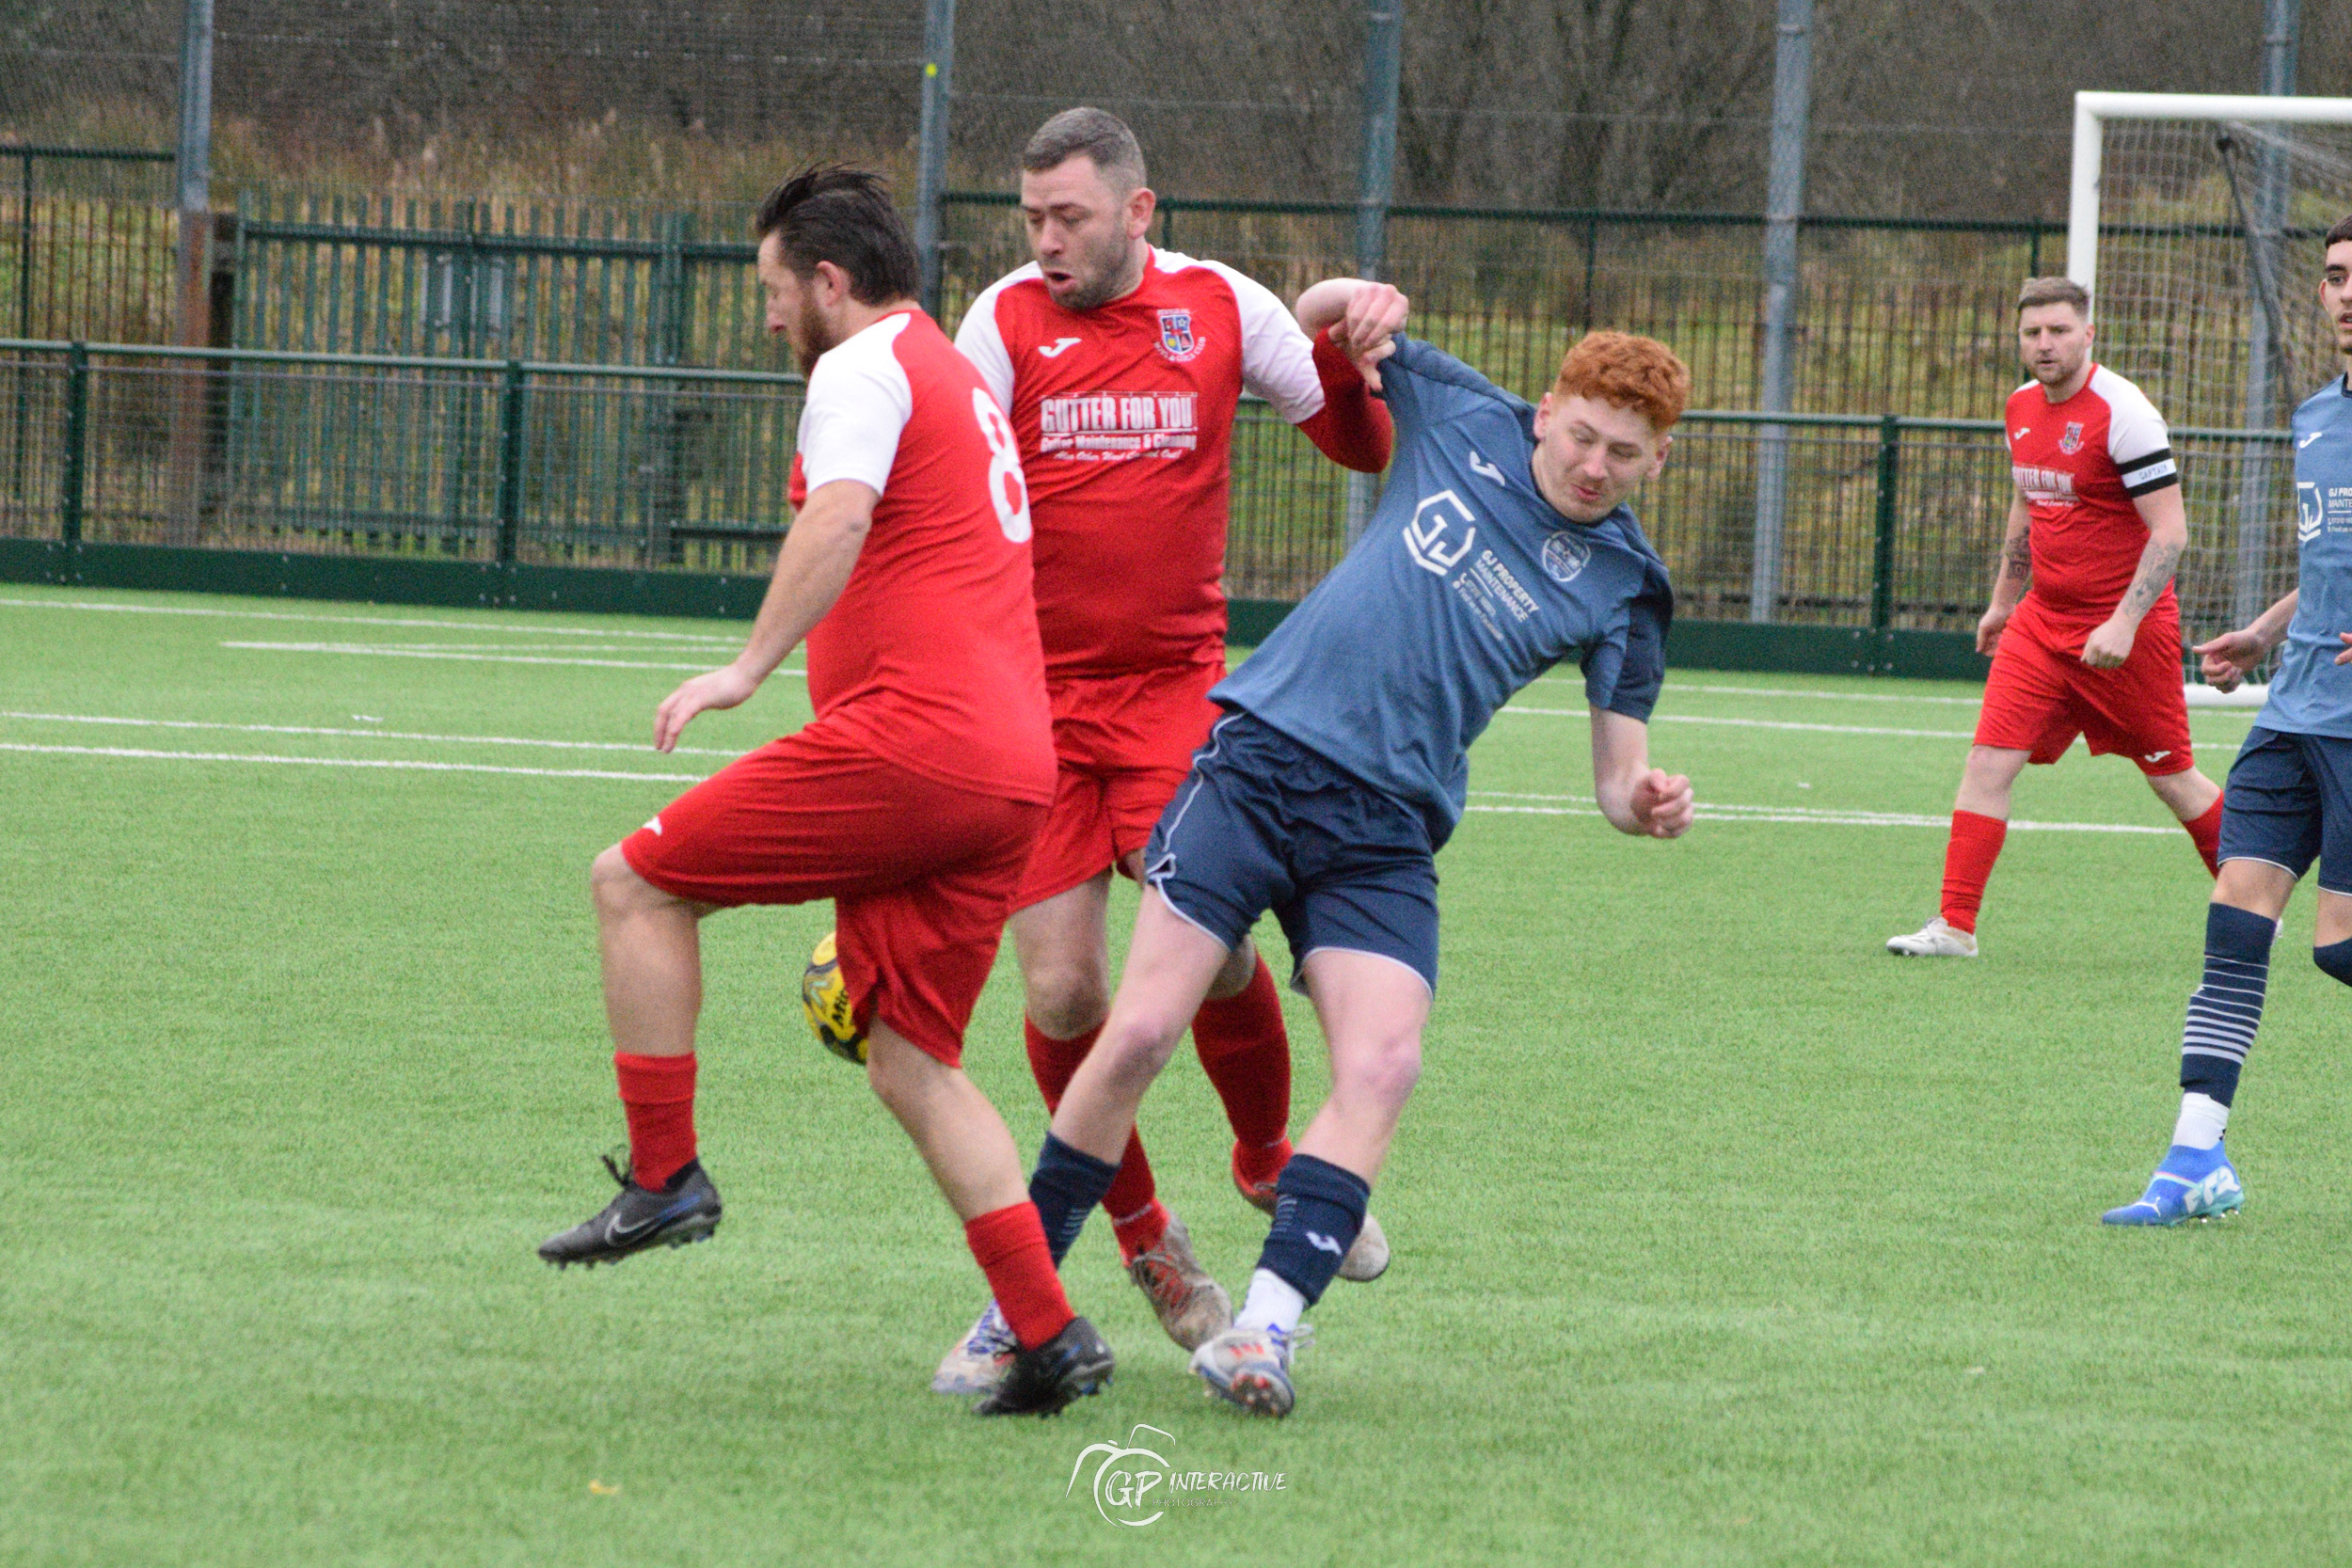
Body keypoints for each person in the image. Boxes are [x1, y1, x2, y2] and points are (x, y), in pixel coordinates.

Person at [1022, 299, 1696, 1418]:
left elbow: (1616, 776)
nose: (1593, 463)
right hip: (1256, 766)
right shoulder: (1458, 411)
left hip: (1382, 832)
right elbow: (1311, 328)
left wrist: (1644, 798)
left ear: (1656, 462)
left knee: (1384, 1064)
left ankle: (1265, 1333)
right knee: (1136, 1025)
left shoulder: (1627, 586)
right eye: (1580, 434)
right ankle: (1019, 1309)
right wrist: (1348, 300)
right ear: (1543, 415)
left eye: (1624, 452)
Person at [534, 166, 1108, 1417]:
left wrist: (747, 665)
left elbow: (840, 517)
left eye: (773, 288)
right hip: (1012, 770)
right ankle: (1049, 1329)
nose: (768, 315)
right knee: (913, 1059)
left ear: (828, 282)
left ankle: (666, 1171)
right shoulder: (947, 364)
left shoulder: (858, 367)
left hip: (918, 743)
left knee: (632, 881)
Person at [927, 106, 1402, 1392]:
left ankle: (1265, 1161)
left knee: (1215, 958)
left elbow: (1361, 444)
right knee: (1064, 996)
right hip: (1032, 701)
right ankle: (1145, 1234)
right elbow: (948, 500)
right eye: (1030, 218)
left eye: (1067, 216)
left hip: (1176, 698)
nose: (1044, 242)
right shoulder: (1003, 321)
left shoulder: (1223, 308)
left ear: (1140, 210)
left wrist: (1351, 348)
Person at [2103, 216, 2352, 1226]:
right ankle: (2194, 1158)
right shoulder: (2315, 415)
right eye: (2335, 275)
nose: (2345, 292)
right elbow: (2325, 567)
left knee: (2337, 947)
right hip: (2293, 709)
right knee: (2234, 923)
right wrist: (2260, 630)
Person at [1886, 277, 2224, 958]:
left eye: (2059, 330)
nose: (2045, 343)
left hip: (2126, 631)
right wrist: (2003, 603)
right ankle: (1956, 925)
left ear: (2088, 334)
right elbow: (2027, 504)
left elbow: (2172, 532)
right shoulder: (2018, 408)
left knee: (2173, 778)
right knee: (1987, 761)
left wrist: (2124, 623)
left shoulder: (2124, 412)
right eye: (2032, 333)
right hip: (2043, 624)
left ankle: (2255, 900)